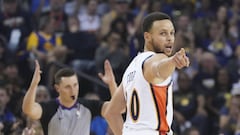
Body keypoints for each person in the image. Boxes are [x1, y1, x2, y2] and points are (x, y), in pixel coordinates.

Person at [104, 12, 190, 135]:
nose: (170, 38)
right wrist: (172, 62)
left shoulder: (131, 67)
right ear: (147, 37)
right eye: (163, 33)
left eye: (172, 33)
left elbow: (111, 113)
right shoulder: (157, 59)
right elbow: (157, 69)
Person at [22, 60, 115, 135]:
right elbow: (28, 109)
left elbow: (117, 109)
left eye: (75, 85)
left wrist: (112, 83)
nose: (73, 90)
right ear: (57, 88)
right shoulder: (49, 107)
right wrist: (34, 84)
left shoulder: (88, 106)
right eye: (68, 87)